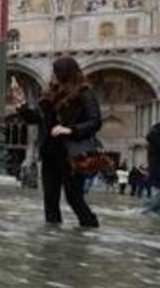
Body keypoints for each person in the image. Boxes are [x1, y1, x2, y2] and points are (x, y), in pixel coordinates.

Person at [11, 57, 101, 228]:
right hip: (51, 154)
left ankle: (90, 227)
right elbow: (38, 118)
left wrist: (71, 130)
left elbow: (95, 121)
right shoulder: (50, 94)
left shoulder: (85, 93)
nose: (52, 75)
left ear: (66, 73)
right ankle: (52, 240)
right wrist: (21, 104)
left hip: (72, 154)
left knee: (74, 198)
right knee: (50, 201)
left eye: (55, 71)